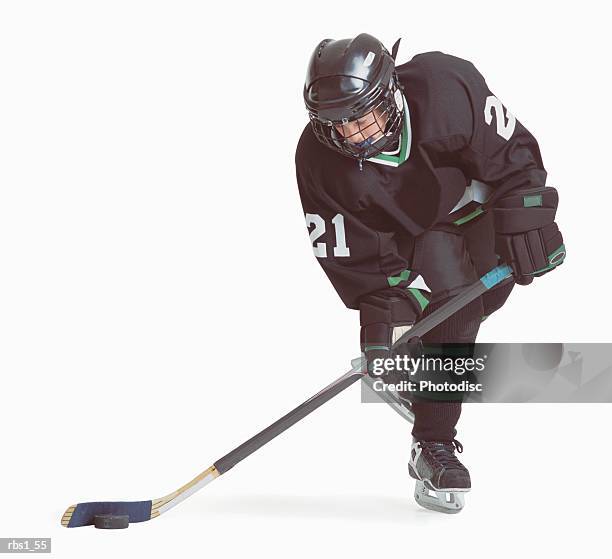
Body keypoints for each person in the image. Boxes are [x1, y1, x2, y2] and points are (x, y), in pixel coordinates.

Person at [294, 33, 565, 513]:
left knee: (477, 303)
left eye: (364, 114)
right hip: (417, 238)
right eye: (338, 124)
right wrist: (384, 321)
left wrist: (531, 215)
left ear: (390, 90)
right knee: (451, 311)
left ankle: (422, 368)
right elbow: (355, 257)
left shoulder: (445, 84)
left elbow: (513, 155)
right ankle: (432, 442)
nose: (354, 135)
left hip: (482, 210)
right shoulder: (319, 161)